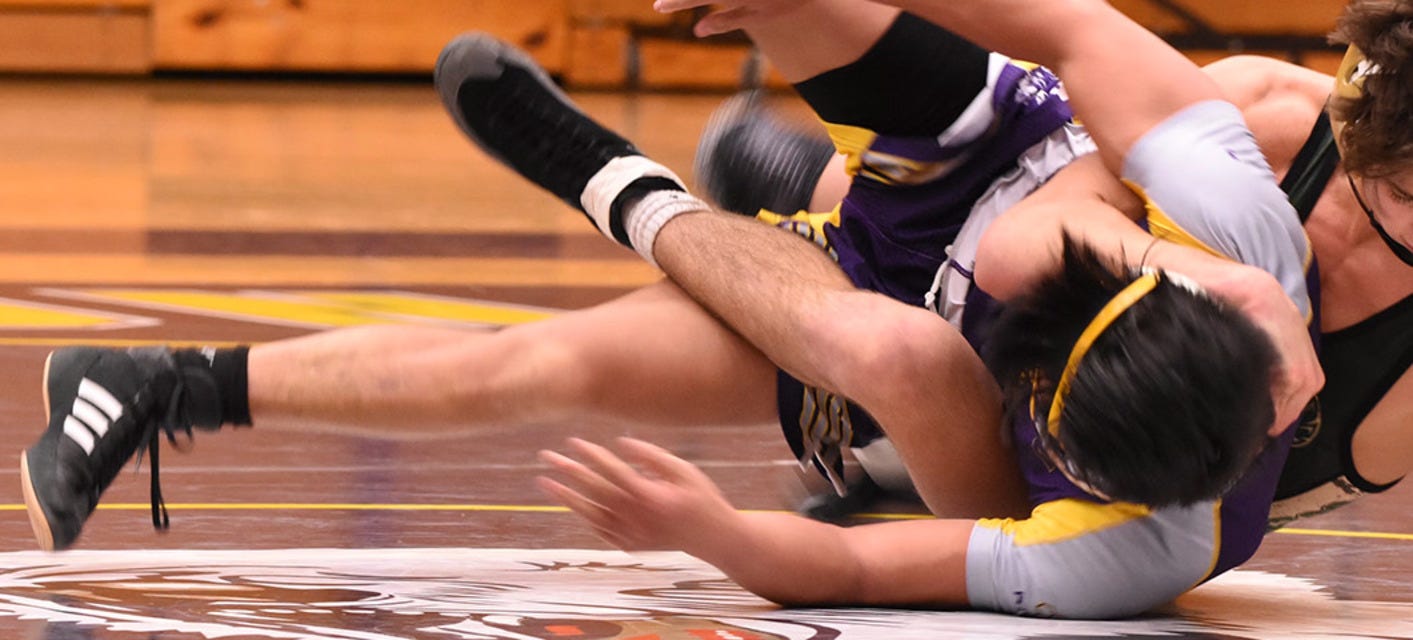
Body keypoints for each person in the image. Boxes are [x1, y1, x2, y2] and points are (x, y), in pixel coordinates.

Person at [20, 1, 1325, 620]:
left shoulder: (1131, 554)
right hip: (995, 170)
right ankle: (750, 181)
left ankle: (160, 385)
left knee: (551, 366)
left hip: (901, 350)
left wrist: (717, 533)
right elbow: (1072, 29)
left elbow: (863, 568)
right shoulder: (1240, 235)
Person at [684, 0, 1413, 528]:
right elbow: (1028, 234)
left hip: (1178, 463)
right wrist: (1228, 282)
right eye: (1394, 187)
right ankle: (813, 185)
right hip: (1026, 292)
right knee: (982, 198)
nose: (1396, 215)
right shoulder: (1271, 109)